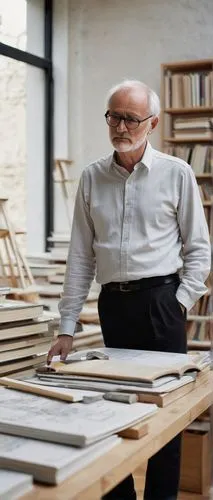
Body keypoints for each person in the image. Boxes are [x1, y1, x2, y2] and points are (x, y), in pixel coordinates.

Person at [47, 80, 211, 500]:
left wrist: (178, 303)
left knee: (166, 413)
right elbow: (81, 257)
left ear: (152, 123)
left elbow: (199, 251)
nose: (120, 127)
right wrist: (66, 326)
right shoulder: (91, 177)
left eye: (130, 119)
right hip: (113, 305)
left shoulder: (177, 173)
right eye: (113, 116)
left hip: (162, 303)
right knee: (112, 410)